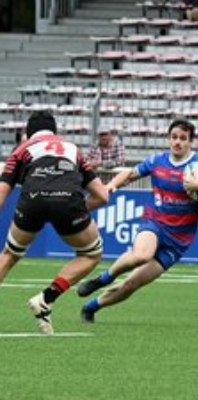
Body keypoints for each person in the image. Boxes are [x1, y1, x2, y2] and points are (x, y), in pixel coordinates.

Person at [77, 119, 198, 323]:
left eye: (183, 138)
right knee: (142, 255)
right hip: (154, 223)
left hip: (178, 240)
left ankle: (90, 307)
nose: (177, 142)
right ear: (168, 139)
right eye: (174, 137)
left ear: (190, 142)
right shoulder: (157, 160)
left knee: (132, 284)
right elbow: (130, 174)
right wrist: (110, 186)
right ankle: (103, 278)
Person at [0, 110, 109, 335]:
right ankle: (46, 298)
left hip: (31, 202)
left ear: (29, 133)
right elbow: (102, 196)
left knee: (10, 255)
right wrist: (74, 209)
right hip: (69, 202)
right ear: (55, 131)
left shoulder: (21, 149)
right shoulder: (73, 149)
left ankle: (44, 301)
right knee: (91, 254)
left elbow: (2, 193)